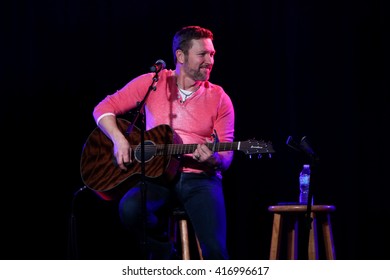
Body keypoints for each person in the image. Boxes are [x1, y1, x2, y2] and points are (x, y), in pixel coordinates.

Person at [92, 25, 235, 259]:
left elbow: (227, 156)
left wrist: (215, 159)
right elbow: (103, 109)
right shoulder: (153, 83)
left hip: (200, 179)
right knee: (129, 209)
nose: (210, 60)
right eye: (203, 54)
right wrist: (119, 140)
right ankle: (164, 254)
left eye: (212, 54)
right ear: (180, 56)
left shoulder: (220, 98)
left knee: (216, 252)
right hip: (157, 177)